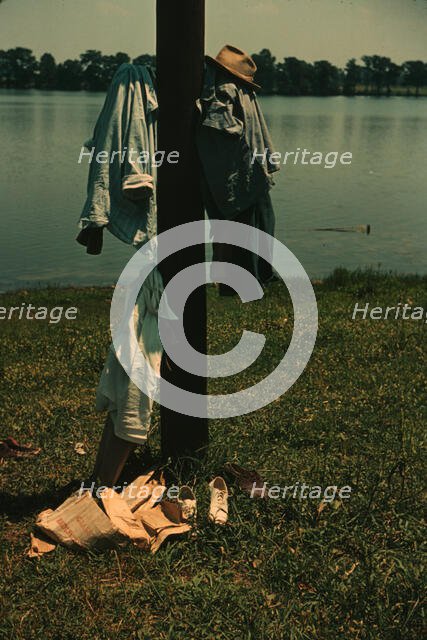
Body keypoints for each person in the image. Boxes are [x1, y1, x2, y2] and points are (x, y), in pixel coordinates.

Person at [196, 45, 280, 295]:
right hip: (250, 169)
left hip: (236, 167)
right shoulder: (239, 92)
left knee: (238, 227)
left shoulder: (226, 91)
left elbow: (220, 128)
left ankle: (242, 281)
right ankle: (254, 277)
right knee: (257, 225)